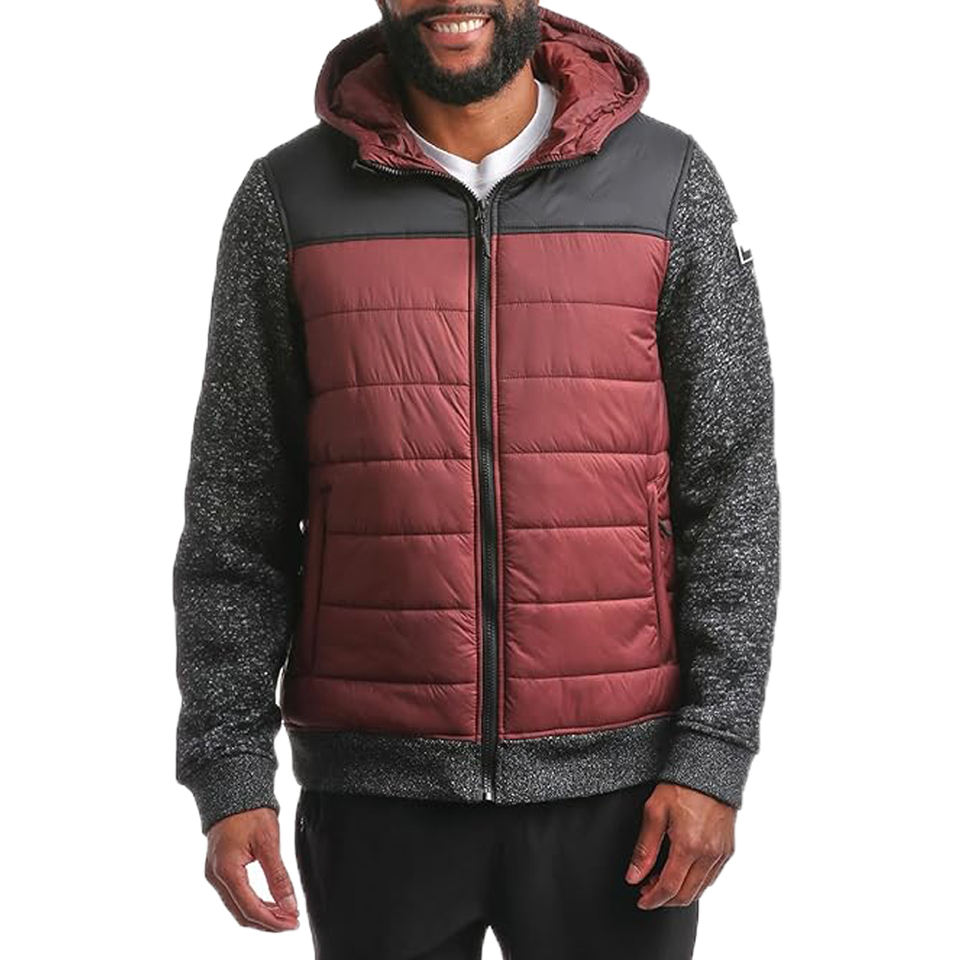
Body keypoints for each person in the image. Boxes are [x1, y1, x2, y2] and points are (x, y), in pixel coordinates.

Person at [172, 3, 781, 957]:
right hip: (376, 789)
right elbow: (236, 506)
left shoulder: (667, 185)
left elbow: (731, 485)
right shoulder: (288, 201)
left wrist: (714, 752)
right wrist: (228, 764)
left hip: (622, 794)